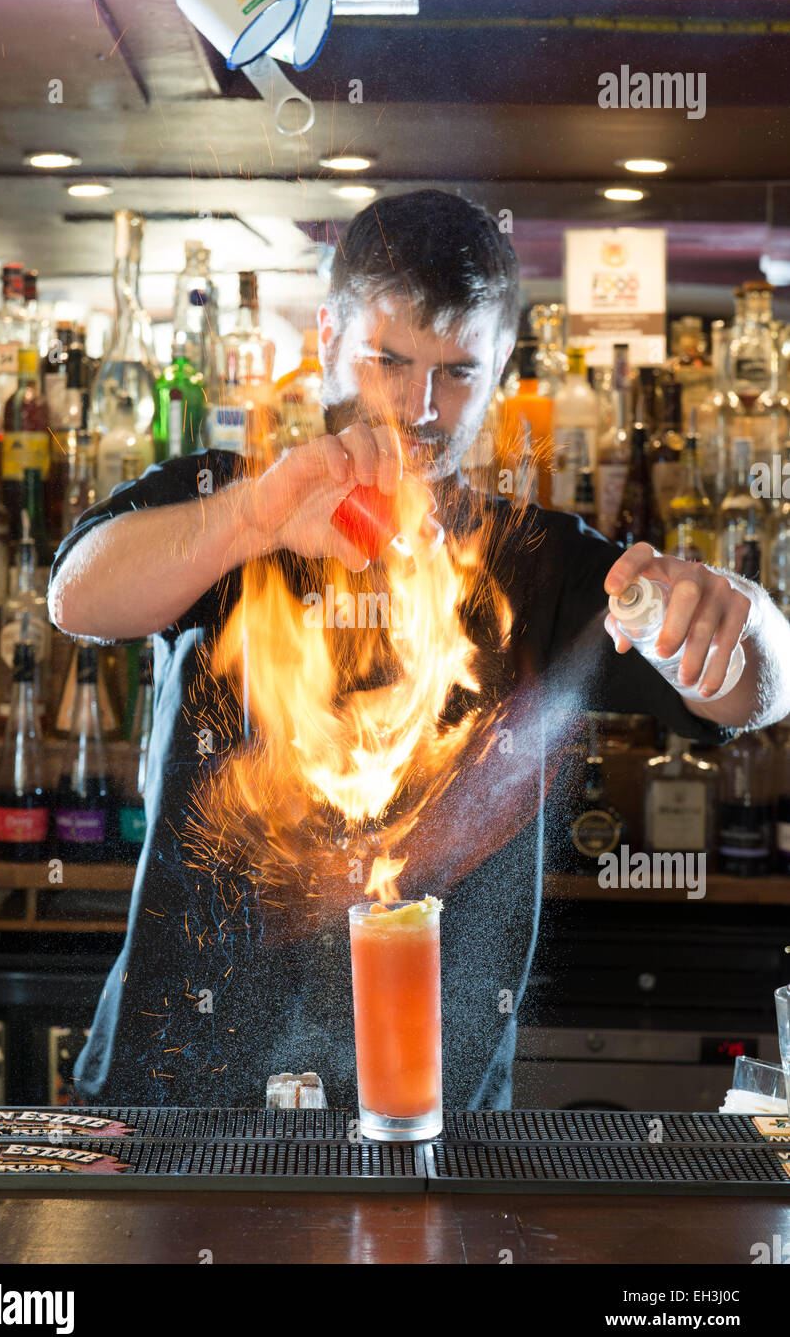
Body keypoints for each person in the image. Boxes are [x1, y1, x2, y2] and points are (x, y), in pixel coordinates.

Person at [48, 190, 790, 1109]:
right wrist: (250, 517)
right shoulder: (232, 498)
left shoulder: (535, 563)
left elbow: (759, 688)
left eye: (456, 373)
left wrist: (741, 618)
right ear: (328, 335)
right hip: (176, 1091)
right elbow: (76, 596)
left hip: (429, 1118)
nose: (419, 406)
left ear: (502, 365)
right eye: (388, 361)